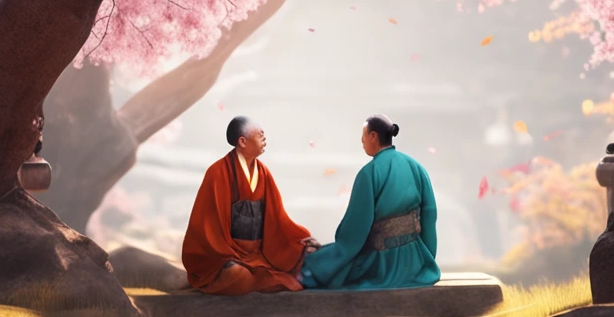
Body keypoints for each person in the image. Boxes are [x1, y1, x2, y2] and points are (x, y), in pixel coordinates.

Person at [300, 113, 440, 291]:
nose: (362, 141)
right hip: (415, 263)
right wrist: (426, 258)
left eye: (363, 136)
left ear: (373, 136)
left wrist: (327, 253)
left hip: (382, 264)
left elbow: (354, 232)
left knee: (315, 265)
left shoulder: (370, 173)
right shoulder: (416, 167)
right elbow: (429, 214)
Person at [182, 116, 319, 294]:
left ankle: (257, 276)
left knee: (302, 254)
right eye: (260, 135)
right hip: (226, 254)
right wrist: (228, 255)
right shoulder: (218, 172)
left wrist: (300, 238)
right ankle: (250, 277)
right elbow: (208, 226)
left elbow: (277, 217)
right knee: (239, 276)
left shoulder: (263, 172)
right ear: (243, 142)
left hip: (256, 255)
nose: (264, 139)